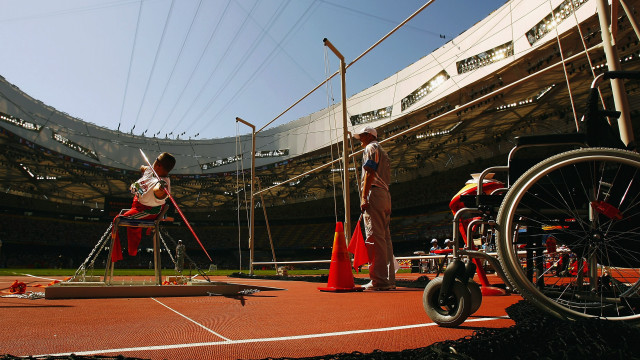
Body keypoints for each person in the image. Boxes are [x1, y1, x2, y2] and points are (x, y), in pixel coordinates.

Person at [111, 152, 176, 262]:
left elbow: (159, 191)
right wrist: (143, 168)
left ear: (158, 165)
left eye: (155, 160)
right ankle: (129, 251)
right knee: (123, 220)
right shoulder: (151, 170)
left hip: (148, 211)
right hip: (137, 204)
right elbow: (144, 168)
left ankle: (126, 253)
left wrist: (162, 188)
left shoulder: (162, 183)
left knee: (118, 219)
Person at [354, 126, 395, 291]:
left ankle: (379, 280)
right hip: (385, 194)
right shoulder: (383, 152)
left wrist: (364, 197)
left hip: (375, 194)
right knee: (385, 239)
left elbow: (369, 172)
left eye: (362, 136)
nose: (360, 140)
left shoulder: (371, 148)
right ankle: (389, 279)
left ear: (369, 136)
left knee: (374, 237)